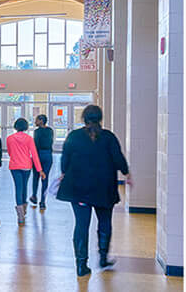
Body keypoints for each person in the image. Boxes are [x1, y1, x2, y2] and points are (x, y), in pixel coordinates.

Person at [56, 104, 133, 277]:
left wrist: (64, 173)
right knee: (104, 222)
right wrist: (127, 173)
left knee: (81, 225)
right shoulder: (108, 137)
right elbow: (118, 158)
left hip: (79, 189)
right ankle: (103, 258)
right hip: (103, 189)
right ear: (100, 118)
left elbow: (65, 159)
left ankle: (81, 265)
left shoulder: (74, 136)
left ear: (84, 118)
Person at [6, 117, 44, 225]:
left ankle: (20, 216)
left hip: (14, 166)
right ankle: (24, 207)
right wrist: (39, 170)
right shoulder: (29, 138)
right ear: (26, 127)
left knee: (18, 188)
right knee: (24, 186)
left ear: (16, 126)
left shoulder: (9, 138)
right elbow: (34, 154)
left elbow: (9, 152)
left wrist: (15, 157)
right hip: (27, 166)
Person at [29, 113, 55, 212]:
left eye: (36, 120)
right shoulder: (50, 131)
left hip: (39, 155)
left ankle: (34, 196)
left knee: (35, 176)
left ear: (41, 120)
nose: (35, 122)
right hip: (48, 155)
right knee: (45, 178)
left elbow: (35, 144)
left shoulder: (37, 132)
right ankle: (43, 202)